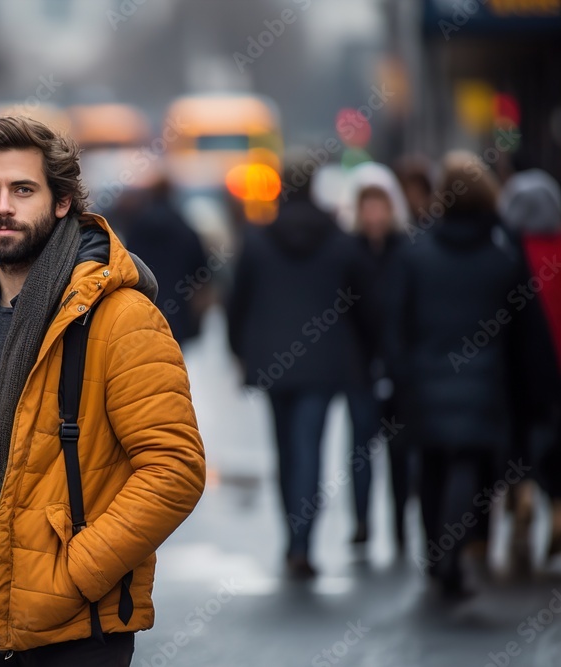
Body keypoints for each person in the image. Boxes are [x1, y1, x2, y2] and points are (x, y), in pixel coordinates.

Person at [0, 116, 206, 667]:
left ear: (62, 201)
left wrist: (76, 573)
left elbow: (175, 468)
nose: (3, 207)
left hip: (73, 634)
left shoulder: (121, 316)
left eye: (23, 189)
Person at [384, 151, 545, 597]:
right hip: (485, 383)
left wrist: (400, 377)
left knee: (432, 467)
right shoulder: (504, 253)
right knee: (473, 468)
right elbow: (525, 330)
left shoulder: (417, 253)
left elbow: (395, 322)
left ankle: (437, 555)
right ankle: (460, 550)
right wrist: (534, 387)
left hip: (426, 383)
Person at [228, 168, 375, 577]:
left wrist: (239, 351)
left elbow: (237, 302)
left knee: (285, 452)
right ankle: (302, 542)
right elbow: (363, 305)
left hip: (273, 361)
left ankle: (291, 539)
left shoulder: (257, 241)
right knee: (310, 448)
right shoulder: (341, 242)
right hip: (326, 362)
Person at [339, 163, 413, 551]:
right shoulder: (348, 252)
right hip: (359, 366)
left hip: (400, 366)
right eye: (367, 207)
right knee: (360, 448)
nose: (374, 215)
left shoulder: (407, 251)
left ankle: (401, 522)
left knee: (401, 450)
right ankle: (363, 520)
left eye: (379, 206)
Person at [498, 169, 561, 571]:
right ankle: (557, 506)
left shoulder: (508, 253)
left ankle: (520, 497)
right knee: (556, 442)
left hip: (518, 367)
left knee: (519, 439)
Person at [120, 179, 211, 346]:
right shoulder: (184, 228)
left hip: (143, 309)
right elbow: (202, 271)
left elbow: (126, 265)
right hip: (178, 308)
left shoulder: (137, 227)